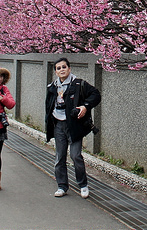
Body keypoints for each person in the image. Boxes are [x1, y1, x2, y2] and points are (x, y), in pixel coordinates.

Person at [45, 57, 101, 199]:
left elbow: (96, 94)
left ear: (69, 69)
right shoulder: (52, 87)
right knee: (60, 157)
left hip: (74, 126)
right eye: (58, 68)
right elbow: (48, 106)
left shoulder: (78, 84)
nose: (61, 70)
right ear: (56, 72)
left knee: (76, 155)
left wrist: (85, 106)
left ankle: (83, 185)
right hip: (59, 125)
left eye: (64, 67)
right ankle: (62, 186)